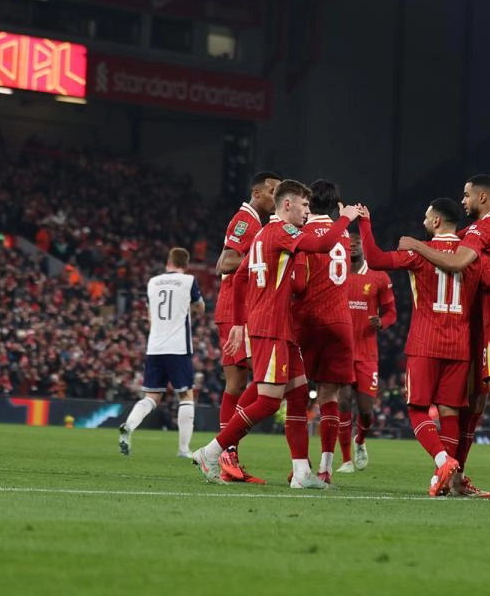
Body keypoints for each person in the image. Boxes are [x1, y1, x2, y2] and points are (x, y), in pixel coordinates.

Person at [361, 199, 490, 496]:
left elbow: (374, 260)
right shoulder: (475, 257)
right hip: (460, 345)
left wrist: (365, 223)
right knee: (450, 411)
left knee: (417, 409)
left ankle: (443, 462)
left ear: (437, 221)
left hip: (425, 342)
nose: (424, 221)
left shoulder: (417, 253)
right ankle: (450, 480)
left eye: (427, 217)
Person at [194, 180, 359, 489]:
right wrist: (346, 218)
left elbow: (240, 276)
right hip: (271, 328)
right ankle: (211, 452)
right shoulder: (283, 232)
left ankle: (300, 473)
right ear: (287, 206)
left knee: (297, 395)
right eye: (304, 206)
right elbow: (323, 246)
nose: (307, 213)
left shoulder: (261, 235)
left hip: (277, 327)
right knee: (269, 402)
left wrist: (242, 323)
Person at [400, 174, 490, 500]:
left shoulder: (478, 232)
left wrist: (418, 246)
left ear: (482, 198)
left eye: (465, 195)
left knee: (482, 404)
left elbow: (458, 261)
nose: (462, 201)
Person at [292, 179, 357, 483]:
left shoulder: (303, 234)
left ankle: (300, 466)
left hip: (308, 321)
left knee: (296, 391)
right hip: (341, 322)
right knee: (330, 395)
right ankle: (326, 469)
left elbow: (300, 283)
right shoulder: (343, 234)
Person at [118, 247, 205, 459]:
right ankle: (184, 449)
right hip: (178, 347)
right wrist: (188, 310)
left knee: (151, 396)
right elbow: (200, 308)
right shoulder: (189, 281)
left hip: (155, 347)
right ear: (186, 264)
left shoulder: (152, 282)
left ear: (168, 261)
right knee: (186, 396)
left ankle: (128, 426)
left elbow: (149, 316)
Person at [212, 171, 281, 436]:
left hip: (234, 308)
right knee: (268, 374)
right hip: (235, 308)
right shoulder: (245, 220)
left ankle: (226, 451)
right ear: (257, 193)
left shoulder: (257, 224)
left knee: (237, 384)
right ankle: (225, 446)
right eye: (273, 192)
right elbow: (226, 263)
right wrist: (264, 262)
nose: (276, 199)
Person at [337, 233, 396, 474]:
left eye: (356, 243)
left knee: (366, 411)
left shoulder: (379, 276)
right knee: (342, 402)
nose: (351, 247)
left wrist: (382, 322)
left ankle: (360, 440)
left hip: (367, 353)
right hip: (340, 352)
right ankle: (346, 460)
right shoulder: (336, 273)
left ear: (363, 246)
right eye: (347, 243)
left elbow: (392, 311)